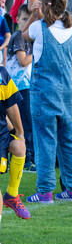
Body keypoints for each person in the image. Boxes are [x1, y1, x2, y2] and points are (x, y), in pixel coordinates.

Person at [23, 0, 72, 203]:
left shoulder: (39, 27)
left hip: (43, 91)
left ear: (44, 3)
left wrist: (33, 15)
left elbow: (23, 35)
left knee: (44, 140)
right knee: (68, 139)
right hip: (67, 91)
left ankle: (45, 190)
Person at [6, 4, 35, 173]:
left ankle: (25, 157)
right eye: (24, 19)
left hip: (25, 86)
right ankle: (24, 160)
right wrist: (39, 52)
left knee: (26, 123)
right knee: (22, 124)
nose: (28, 23)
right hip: (18, 88)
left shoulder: (29, 38)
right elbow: (23, 61)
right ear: (17, 20)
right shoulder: (18, 36)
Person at [0, 64, 31, 223]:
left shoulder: (1, 73)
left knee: (19, 146)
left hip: (1, 134)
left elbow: (10, 105)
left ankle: (12, 195)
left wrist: (18, 132)